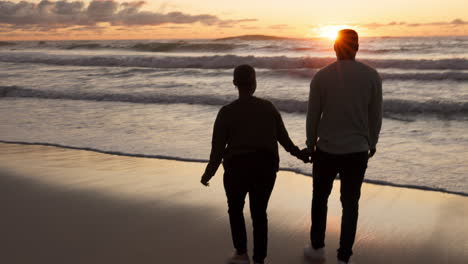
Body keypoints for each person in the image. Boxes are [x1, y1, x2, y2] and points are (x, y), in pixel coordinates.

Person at [201, 64, 309, 264]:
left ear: (235, 83)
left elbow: (217, 150)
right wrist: (301, 155)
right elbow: (284, 140)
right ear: (255, 83)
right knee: (259, 213)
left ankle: (241, 254)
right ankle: (259, 259)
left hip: (236, 169)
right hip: (265, 169)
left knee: (235, 209)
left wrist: (208, 174)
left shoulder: (226, 112)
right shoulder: (268, 108)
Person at [303, 29, 383, 264]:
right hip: (357, 149)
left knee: (320, 198)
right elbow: (375, 115)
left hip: (326, 149)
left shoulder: (321, 76)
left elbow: (313, 116)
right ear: (357, 48)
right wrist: (372, 141)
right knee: (350, 203)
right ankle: (343, 257)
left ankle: (317, 247)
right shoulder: (371, 76)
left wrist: (310, 145)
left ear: (335, 47)